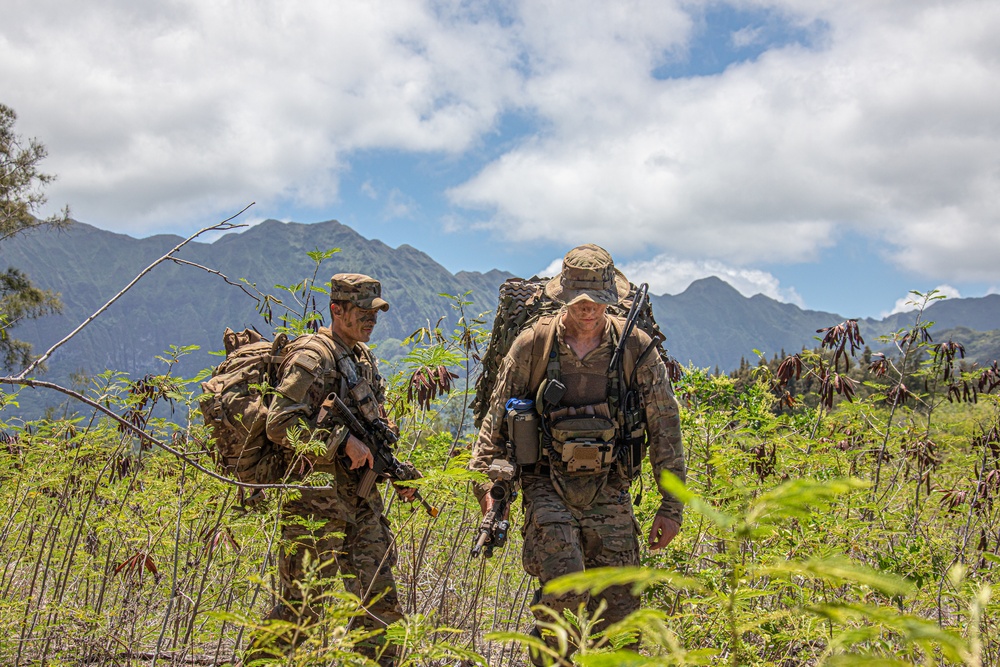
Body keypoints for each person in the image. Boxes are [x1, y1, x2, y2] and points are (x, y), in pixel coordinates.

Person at [470, 244, 686, 664]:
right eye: (579, 300)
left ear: (610, 297)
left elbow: (665, 425)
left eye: (596, 300)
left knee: (621, 604)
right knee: (565, 591)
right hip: (546, 482)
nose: (588, 309)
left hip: (609, 484)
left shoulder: (634, 348)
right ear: (564, 296)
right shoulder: (533, 344)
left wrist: (671, 505)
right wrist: (489, 496)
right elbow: (494, 423)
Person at [249, 273, 413, 666]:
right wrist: (341, 442)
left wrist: (391, 466)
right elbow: (279, 423)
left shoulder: (363, 357)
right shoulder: (312, 356)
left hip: (361, 502)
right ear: (336, 310)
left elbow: (374, 425)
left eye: (375, 313)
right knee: (303, 606)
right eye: (362, 312)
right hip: (314, 505)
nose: (371, 320)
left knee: (379, 600)